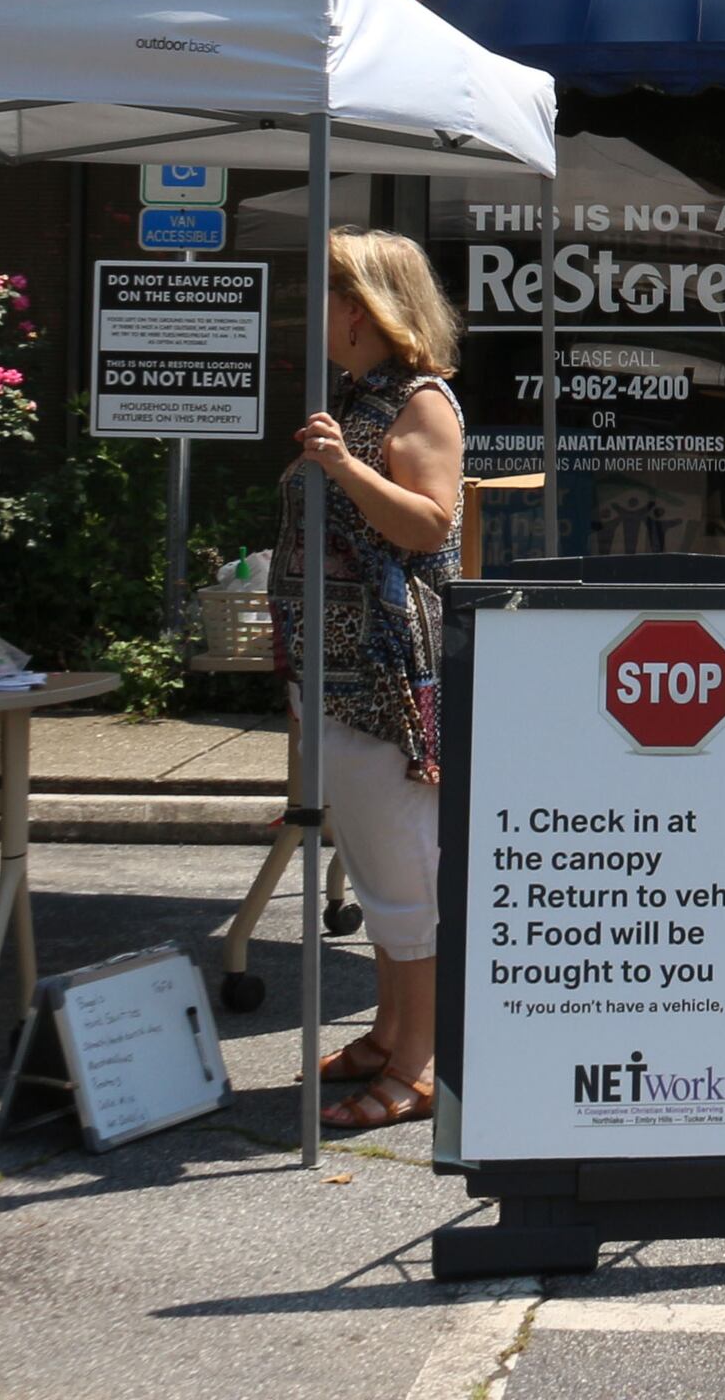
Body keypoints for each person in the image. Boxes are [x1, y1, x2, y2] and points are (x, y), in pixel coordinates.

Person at [272, 228, 465, 1132]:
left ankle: (421, 1065)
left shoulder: (421, 403)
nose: (319, 314)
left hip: (386, 676)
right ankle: (389, 1034)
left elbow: (430, 526)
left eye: (330, 295)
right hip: (336, 672)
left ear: (365, 305)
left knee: (402, 879)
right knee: (380, 868)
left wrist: (344, 468)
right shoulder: (361, 395)